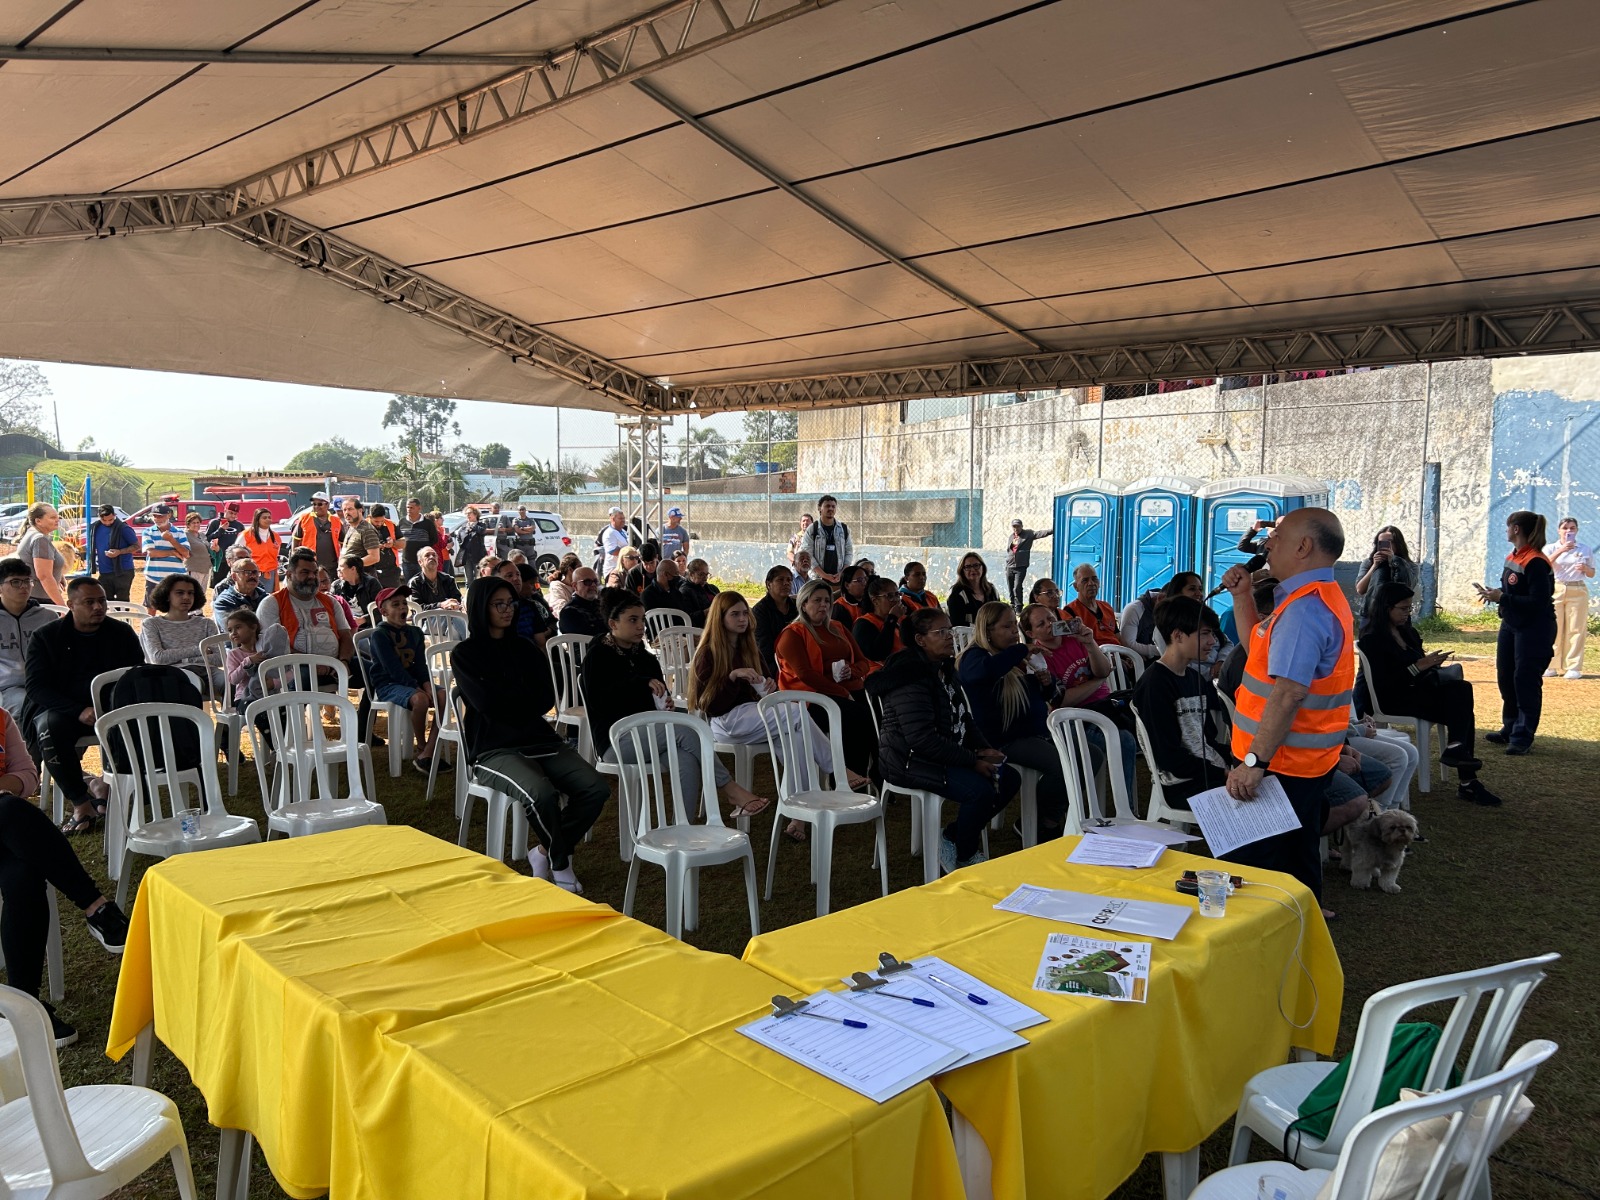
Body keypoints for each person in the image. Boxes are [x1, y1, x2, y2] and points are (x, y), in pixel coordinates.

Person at [1221, 507, 1355, 899]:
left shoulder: (1304, 609)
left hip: (1280, 765)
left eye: (1276, 537)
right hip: (1299, 763)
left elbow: (1288, 694)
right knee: (1295, 862)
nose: (1267, 544)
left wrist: (1253, 764)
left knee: (1251, 874)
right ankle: (1302, 936)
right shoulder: (1313, 598)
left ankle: (1264, 949)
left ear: (1303, 546)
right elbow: (1257, 652)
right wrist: (1243, 596)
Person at [453, 576, 608, 893]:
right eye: (499, 604)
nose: (507, 610)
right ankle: (561, 863)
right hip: (493, 748)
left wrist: (506, 694)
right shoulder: (466, 654)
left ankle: (543, 852)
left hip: (539, 738)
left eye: (510, 603)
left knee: (594, 787)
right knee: (541, 793)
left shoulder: (524, 647)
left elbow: (545, 698)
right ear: (481, 607)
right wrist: (518, 696)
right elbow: (485, 704)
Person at [582, 587, 769, 822]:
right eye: (633, 620)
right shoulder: (598, 656)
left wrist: (664, 702)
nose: (641, 626)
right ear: (613, 624)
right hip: (615, 741)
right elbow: (600, 701)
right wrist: (641, 685)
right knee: (689, 729)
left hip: (652, 736)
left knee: (686, 758)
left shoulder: (646, 658)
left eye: (643, 619)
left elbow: (656, 698)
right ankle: (730, 789)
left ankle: (683, 825)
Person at [0, 719, 130, 1047]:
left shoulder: (1, 718)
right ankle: (96, 908)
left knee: (24, 874)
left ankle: (23, 1005)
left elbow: (28, 777)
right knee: (8, 810)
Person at [869, 607, 1019, 873]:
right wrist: (973, 761)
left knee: (1008, 778)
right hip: (909, 760)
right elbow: (921, 739)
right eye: (942, 632)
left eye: (950, 630)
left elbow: (965, 717)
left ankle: (951, 836)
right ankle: (965, 854)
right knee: (980, 791)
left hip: (940, 753)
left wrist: (983, 748)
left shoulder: (944, 668)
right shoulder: (910, 676)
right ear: (920, 639)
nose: (950, 636)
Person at [1357, 581, 1500, 802]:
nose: (1408, 613)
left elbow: (1417, 666)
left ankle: (1459, 755)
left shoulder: (1407, 632)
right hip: (1391, 699)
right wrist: (1419, 666)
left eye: (1410, 608)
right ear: (1387, 608)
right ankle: (1466, 777)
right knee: (1461, 702)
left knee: (1461, 694)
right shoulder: (1372, 640)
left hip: (1417, 693)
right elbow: (1384, 684)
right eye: (1403, 609)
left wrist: (1431, 664)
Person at [22, 576, 144, 836]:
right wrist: (78, 710)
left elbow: (136, 674)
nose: (98, 607)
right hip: (65, 709)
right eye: (89, 602)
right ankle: (81, 803)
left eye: (102, 601)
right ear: (71, 605)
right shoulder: (46, 637)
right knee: (49, 728)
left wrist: (111, 707)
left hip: (112, 708)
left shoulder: (121, 633)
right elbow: (36, 687)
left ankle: (116, 788)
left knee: (141, 722)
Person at [958, 603, 1069, 841]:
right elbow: (985, 673)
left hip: (1037, 733)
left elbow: (1053, 696)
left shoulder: (1016, 656)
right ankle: (1042, 823)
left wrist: (1045, 683)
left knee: (1092, 755)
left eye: (1013, 625)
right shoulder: (976, 657)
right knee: (1063, 765)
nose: (1013, 632)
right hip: (1005, 740)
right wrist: (1020, 651)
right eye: (1006, 626)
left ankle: (1051, 816)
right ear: (988, 631)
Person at [1130, 596, 1232, 810]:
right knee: (1264, 805)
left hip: (1207, 775)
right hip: (1182, 786)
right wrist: (1223, 773)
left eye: (1212, 634)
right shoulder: (1155, 685)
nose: (1212, 641)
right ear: (1177, 635)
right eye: (1205, 634)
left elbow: (1208, 741)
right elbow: (1169, 758)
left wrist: (1238, 760)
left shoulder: (1194, 679)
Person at [774, 579, 878, 774]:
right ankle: (846, 777)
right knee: (857, 717)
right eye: (817, 601)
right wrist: (841, 691)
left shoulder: (838, 627)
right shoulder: (793, 634)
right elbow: (806, 675)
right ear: (804, 604)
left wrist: (852, 671)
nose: (823, 605)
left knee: (877, 717)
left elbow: (863, 662)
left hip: (847, 688)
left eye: (827, 601)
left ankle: (877, 774)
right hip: (810, 697)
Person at [363, 586, 441, 773]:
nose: (402, 608)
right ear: (383, 611)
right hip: (388, 684)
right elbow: (393, 669)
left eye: (404, 603)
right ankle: (421, 746)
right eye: (395, 604)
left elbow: (421, 665)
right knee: (420, 700)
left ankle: (429, 751)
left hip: (412, 682)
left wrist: (427, 685)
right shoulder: (379, 635)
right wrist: (418, 689)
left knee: (445, 696)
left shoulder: (415, 632)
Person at [256, 549, 354, 679]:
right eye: (305, 572)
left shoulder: (330, 601)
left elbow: (346, 635)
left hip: (337, 663)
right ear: (289, 575)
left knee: (372, 671)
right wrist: (312, 664)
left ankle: (370, 700)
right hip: (294, 665)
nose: (312, 577)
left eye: (314, 573)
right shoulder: (272, 603)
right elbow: (273, 647)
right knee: (301, 678)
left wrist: (344, 662)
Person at [140, 575, 220, 690]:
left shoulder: (206, 623)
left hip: (209, 671)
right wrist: (199, 650)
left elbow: (219, 658)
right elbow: (158, 658)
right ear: (167, 596)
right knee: (191, 684)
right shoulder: (152, 624)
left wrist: (187, 660)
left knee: (234, 685)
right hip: (171, 674)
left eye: (190, 593)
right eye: (180, 593)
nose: (186, 597)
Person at [0, 557, 55, 713]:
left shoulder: (48, 617)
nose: (23, 586)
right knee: (28, 707)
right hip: (9, 687)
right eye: (15, 582)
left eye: (27, 581)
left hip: (46, 683)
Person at [1544, 516, 1594, 680]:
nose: (1568, 531)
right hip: (1556, 587)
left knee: (1576, 628)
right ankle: (1550, 664)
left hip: (1577, 589)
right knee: (1553, 627)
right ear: (1559, 530)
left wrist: (1585, 568)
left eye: (1572, 528)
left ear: (1577, 530)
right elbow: (1544, 565)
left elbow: (1592, 573)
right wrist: (1562, 550)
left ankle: (1573, 666)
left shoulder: (1584, 549)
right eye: (1565, 528)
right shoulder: (1551, 548)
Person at [222, 607, 288, 714]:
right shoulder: (233, 654)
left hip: (270, 695)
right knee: (258, 710)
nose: (233, 633)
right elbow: (233, 680)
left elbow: (287, 672)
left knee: (284, 708)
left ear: (253, 627)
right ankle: (269, 731)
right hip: (244, 698)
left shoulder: (266, 650)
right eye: (230, 630)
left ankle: (282, 731)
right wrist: (248, 661)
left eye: (238, 627)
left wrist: (274, 683)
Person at [1353, 525, 1417, 624]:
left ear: (1398, 544)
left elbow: (1409, 587)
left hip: (1398, 615)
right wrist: (1374, 566)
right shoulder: (1368, 563)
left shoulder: (1409, 566)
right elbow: (1360, 589)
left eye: (1389, 542)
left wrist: (1394, 562)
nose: (1386, 545)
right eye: (1381, 542)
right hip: (1373, 612)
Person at [15, 503, 67, 607]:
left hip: (31, 597)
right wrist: (61, 605)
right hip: (40, 600)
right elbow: (44, 576)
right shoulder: (40, 539)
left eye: (58, 517)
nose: (57, 520)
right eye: (52, 517)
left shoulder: (32, 533)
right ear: (38, 521)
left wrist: (58, 574)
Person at [752, 564, 796, 678]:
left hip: (796, 658)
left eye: (789, 580)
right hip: (772, 665)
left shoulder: (796, 607)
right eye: (780, 580)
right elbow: (764, 648)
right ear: (768, 584)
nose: (786, 583)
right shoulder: (759, 611)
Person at [88, 504, 139, 601]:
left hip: (123, 570)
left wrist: (119, 552)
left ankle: (124, 616)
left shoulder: (123, 528)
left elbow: (136, 546)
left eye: (110, 520)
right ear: (99, 517)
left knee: (122, 600)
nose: (107, 523)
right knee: (106, 600)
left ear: (114, 515)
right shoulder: (94, 528)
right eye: (104, 520)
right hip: (105, 571)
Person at [852, 577, 907, 663]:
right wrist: (891, 619)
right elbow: (878, 653)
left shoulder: (902, 619)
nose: (896, 600)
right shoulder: (863, 624)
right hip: (879, 672)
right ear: (875, 601)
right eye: (890, 596)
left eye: (897, 595)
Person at [799, 495, 852, 584]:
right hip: (817, 579)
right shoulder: (812, 529)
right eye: (827, 506)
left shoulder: (844, 529)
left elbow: (849, 553)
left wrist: (842, 573)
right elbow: (808, 554)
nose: (830, 509)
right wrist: (824, 575)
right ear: (820, 508)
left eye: (833, 506)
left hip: (839, 579)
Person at [1066, 563, 1122, 646]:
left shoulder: (1107, 607)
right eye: (1085, 580)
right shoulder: (1070, 611)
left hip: (1118, 655)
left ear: (1099, 583)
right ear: (1075, 587)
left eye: (1094, 579)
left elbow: (1118, 636)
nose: (1091, 583)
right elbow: (1073, 645)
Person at [290, 492, 343, 576]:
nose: (316, 507)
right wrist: (295, 560)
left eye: (320, 504)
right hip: (309, 565)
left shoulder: (336, 521)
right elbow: (296, 540)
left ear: (328, 505)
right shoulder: (304, 518)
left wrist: (342, 561)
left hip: (331, 567)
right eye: (314, 504)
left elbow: (343, 543)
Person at [1004, 519, 1052, 610]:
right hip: (1009, 566)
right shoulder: (1011, 537)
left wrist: (1053, 530)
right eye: (1014, 527)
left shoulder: (1028, 534)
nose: (1016, 529)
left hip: (1021, 566)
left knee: (1017, 587)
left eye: (1018, 526)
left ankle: (1018, 608)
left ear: (1022, 526)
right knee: (1010, 588)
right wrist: (1007, 563)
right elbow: (1009, 550)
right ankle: (1012, 606)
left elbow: (1040, 533)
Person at [212, 558, 270, 630]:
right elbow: (234, 630)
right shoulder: (224, 601)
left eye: (255, 572)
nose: (253, 576)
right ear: (234, 577)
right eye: (247, 572)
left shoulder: (266, 598)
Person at [946, 551, 998, 628]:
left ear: (983, 568)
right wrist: (980, 629)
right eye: (967, 567)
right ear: (962, 571)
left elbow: (999, 614)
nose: (973, 570)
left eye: (976, 565)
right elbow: (956, 622)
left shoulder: (991, 590)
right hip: (967, 637)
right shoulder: (957, 593)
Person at [1119, 584, 1165, 663]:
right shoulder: (1135, 608)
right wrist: (1161, 649)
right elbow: (1128, 644)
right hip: (1139, 662)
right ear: (1160, 598)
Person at [203, 501, 244, 588]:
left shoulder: (239, 525)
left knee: (234, 585)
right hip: (219, 559)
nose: (233, 516)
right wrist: (220, 530)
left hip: (235, 560)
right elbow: (207, 539)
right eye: (231, 513)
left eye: (235, 514)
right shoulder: (215, 523)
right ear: (225, 510)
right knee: (218, 586)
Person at [407, 546, 462, 610]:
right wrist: (440, 605)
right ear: (420, 562)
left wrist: (453, 605)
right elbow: (416, 608)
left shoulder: (448, 579)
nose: (431, 557)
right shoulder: (415, 583)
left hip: (450, 617)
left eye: (434, 555)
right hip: (425, 619)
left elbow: (458, 601)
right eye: (427, 555)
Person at [339, 497, 383, 576]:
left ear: (360, 510)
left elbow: (374, 557)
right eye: (344, 510)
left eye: (350, 509)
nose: (347, 512)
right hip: (349, 577)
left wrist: (352, 565)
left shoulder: (367, 530)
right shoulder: (351, 528)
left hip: (363, 580)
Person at [334, 555, 382, 628]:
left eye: (341, 566)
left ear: (353, 569)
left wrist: (364, 619)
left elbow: (381, 608)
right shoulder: (336, 586)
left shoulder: (371, 583)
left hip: (370, 626)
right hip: (346, 627)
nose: (338, 569)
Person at [557, 567, 606, 637]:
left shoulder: (603, 605)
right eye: (587, 582)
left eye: (595, 581)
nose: (593, 585)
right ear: (575, 586)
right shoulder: (569, 612)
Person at [240, 507, 282, 586]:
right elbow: (236, 552)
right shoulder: (247, 534)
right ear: (257, 519)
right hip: (251, 574)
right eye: (264, 517)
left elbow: (276, 555)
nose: (268, 519)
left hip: (270, 575)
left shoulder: (276, 536)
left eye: (269, 517)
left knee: (268, 597)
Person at [399, 497, 439, 579]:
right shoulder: (402, 522)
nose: (409, 509)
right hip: (407, 561)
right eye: (407, 507)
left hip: (422, 561)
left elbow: (434, 539)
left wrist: (424, 549)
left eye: (412, 507)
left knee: (424, 584)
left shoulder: (427, 523)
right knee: (409, 586)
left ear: (419, 508)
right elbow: (398, 538)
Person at [367, 503, 402, 588]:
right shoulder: (363, 526)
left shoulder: (391, 525)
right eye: (376, 521)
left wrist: (393, 543)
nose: (379, 524)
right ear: (370, 517)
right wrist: (374, 547)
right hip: (370, 571)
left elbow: (403, 543)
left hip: (391, 571)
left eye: (382, 521)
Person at [596, 506, 634, 576]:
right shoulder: (609, 533)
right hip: (613, 571)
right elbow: (614, 551)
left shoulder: (623, 531)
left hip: (623, 570)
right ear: (613, 519)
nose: (623, 520)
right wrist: (631, 552)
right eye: (620, 518)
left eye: (623, 518)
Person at [456, 506, 490, 578]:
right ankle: (469, 589)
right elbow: (459, 537)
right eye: (466, 513)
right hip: (467, 556)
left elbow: (482, 531)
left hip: (478, 555)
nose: (468, 515)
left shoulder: (481, 525)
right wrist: (461, 544)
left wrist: (473, 526)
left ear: (475, 514)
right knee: (468, 578)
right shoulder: (464, 526)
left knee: (479, 576)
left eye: (469, 513)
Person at [182, 513, 211, 595]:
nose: (196, 525)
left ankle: (198, 608)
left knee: (201, 594)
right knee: (192, 593)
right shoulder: (185, 535)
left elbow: (208, 548)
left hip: (205, 568)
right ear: (188, 524)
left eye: (198, 522)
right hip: (194, 569)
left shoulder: (201, 535)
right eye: (193, 523)